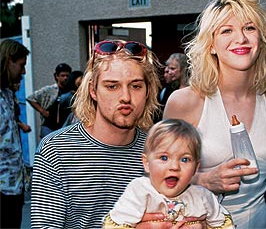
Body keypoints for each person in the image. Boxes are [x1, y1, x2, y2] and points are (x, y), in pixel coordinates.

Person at [161, 0, 266, 228]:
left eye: (249, 28)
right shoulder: (185, 102)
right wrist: (204, 180)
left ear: (261, 39)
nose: (240, 38)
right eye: (227, 30)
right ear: (211, 45)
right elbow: (157, 178)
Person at [30, 40, 163, 228]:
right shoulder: (56, 151)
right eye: (112, 86)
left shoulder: (158, 152)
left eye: (135, 86)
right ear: (93, 90)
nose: (125, 97)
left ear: (148, 91)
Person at [103, 118, 234, 229]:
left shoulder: (203, 197)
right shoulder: (140, 191)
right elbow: (114, 225)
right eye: (164, 158)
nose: (174, 167)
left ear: (196, 167)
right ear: (147, 163)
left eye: (185, 159)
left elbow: (224, 224)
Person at [0, 38, 30, 228]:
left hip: (14, 186)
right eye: (21, 65)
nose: (24, 72)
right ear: (9, 60)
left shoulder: (8, 94)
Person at [26, 62, 72, 139]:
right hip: (49, 126)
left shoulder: (70, 91)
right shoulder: (50, 89)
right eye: (62, 75)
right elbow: (31, 98)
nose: (65, 78)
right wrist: (42, 111)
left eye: (67, 76)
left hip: (64, 127)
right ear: (57, 76)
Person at [154, 53, 189, 122]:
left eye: (172, 68)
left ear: (183, 70)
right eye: (167, 68)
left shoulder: (192, 91)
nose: (168, 72)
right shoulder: (166, 90)